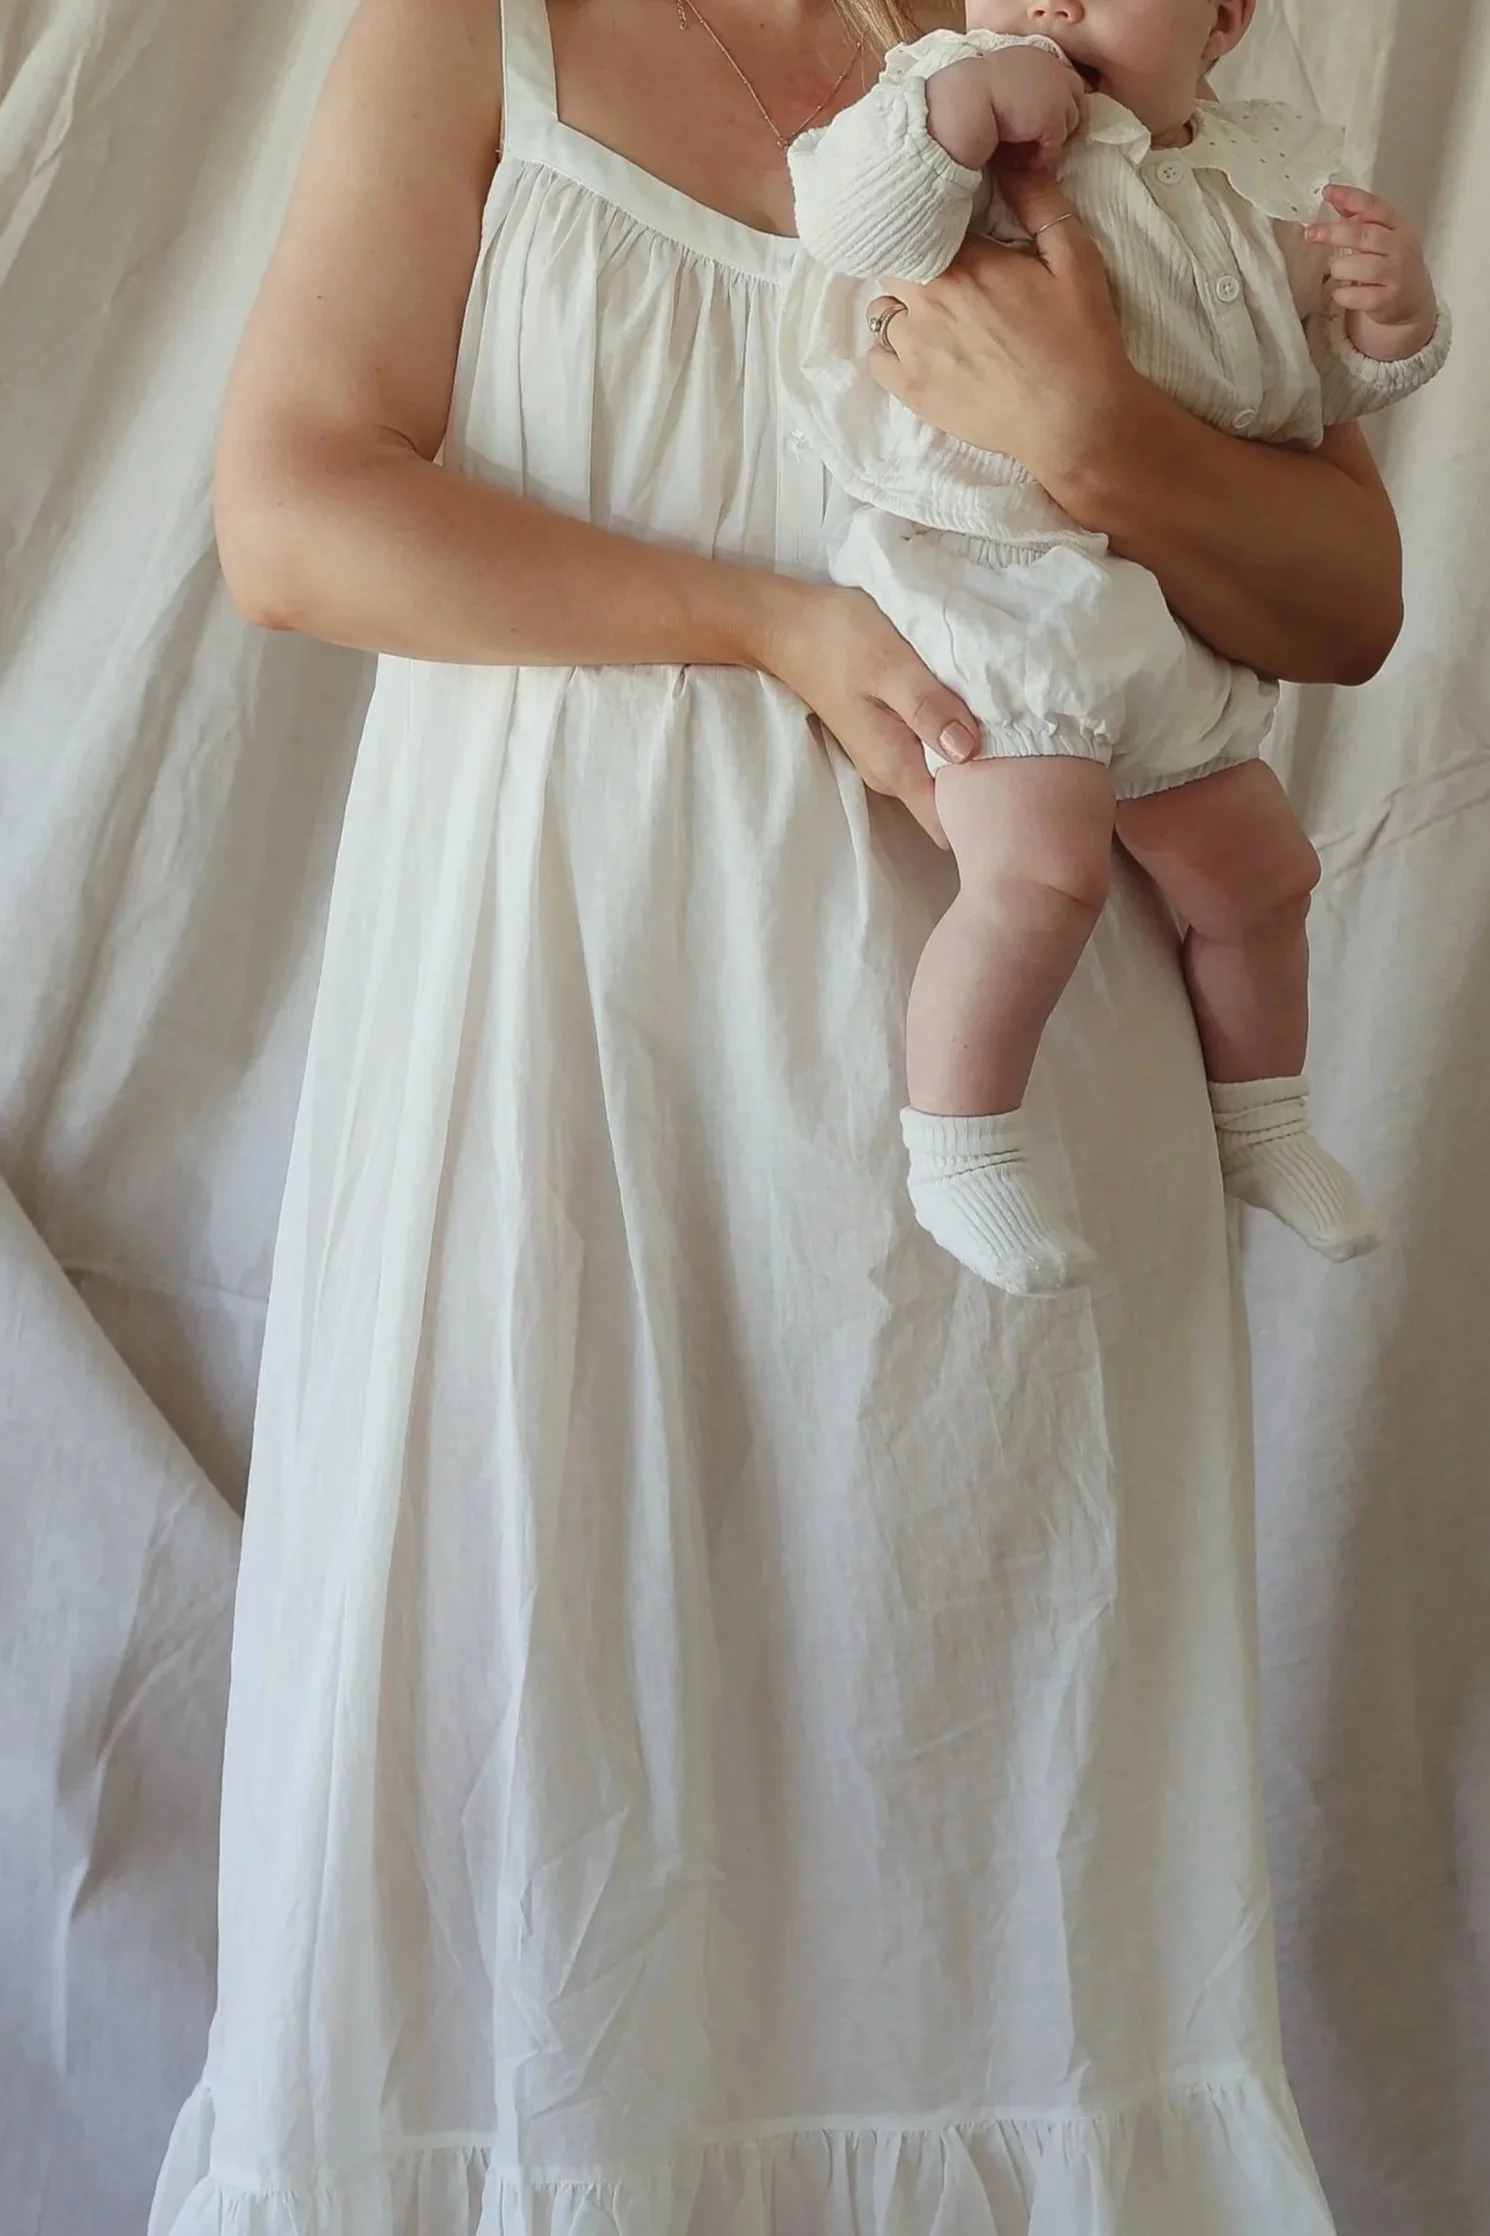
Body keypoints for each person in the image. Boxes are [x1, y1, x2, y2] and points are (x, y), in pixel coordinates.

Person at [147, 0, 1403, 2227]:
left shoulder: (1069, 61)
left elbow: (1345, 597)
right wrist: (766, 625)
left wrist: (1105, 436)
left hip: (1001, 1162)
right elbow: (294, 511)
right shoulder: (478, 37)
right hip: (559, 1107)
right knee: (544, 1828)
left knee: (977, 1865)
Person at [785, 0, 1448, 1295]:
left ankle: (1262, 1126)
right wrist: (960, 111)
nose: (1052, 4)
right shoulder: (955, 107)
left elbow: (1307, 396)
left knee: (1263, 878)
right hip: (981, 591)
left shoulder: (1257, 174)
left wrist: (1385, 322)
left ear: (1221, 20)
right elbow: (848, 227)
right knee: (1041, 872)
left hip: (1147, 611)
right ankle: (959, 1145)